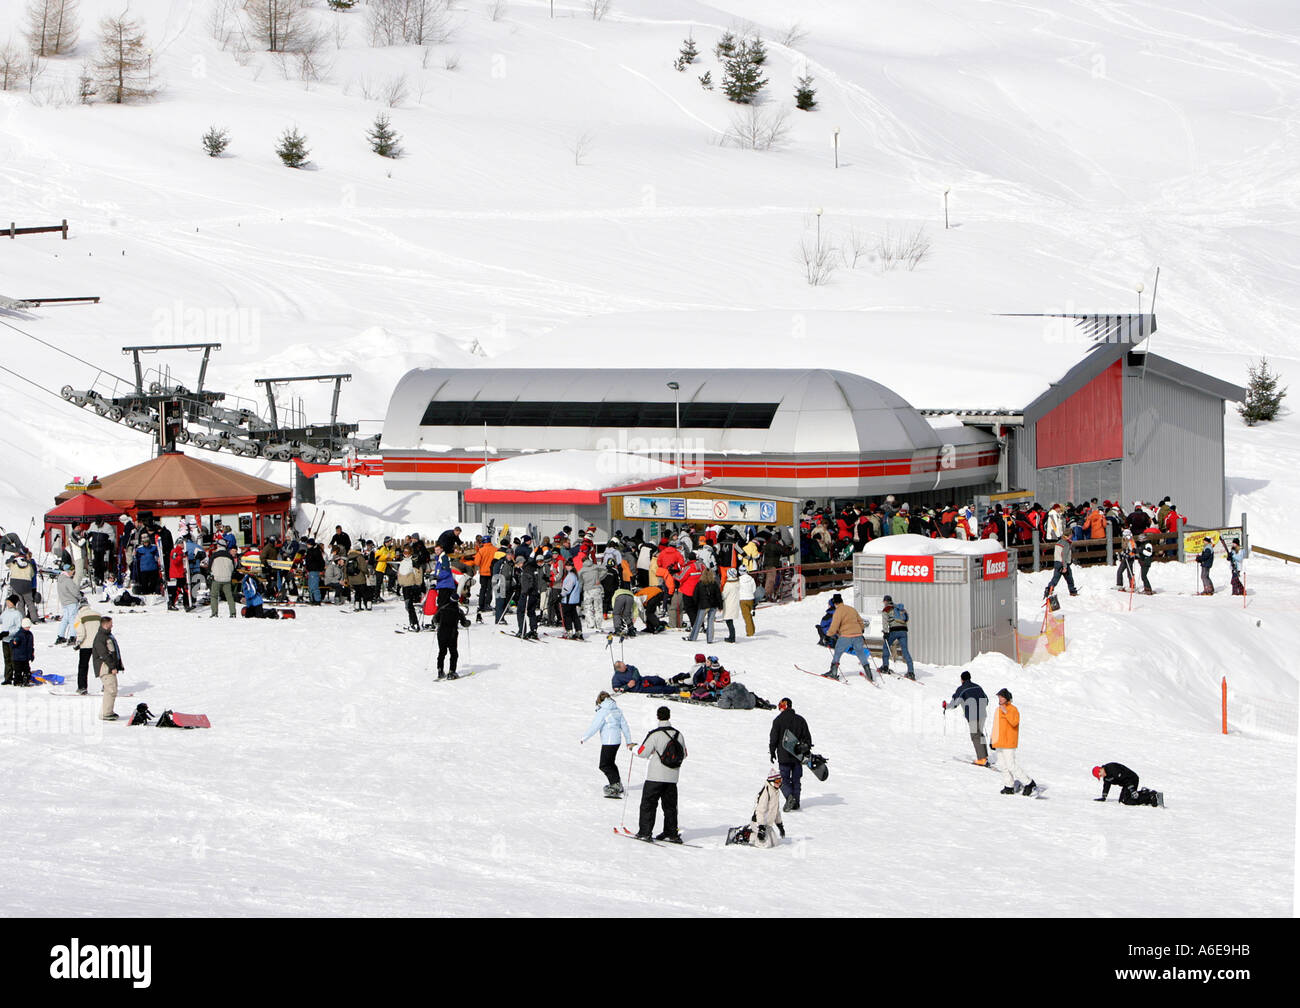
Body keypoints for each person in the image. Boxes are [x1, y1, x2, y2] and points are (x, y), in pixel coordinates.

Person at [635, 706, 686, 843]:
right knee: (670, 806)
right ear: (669, 716)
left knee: (648, 804)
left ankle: (645, 833)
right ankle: (671, 833)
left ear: (658, 717)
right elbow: (684, 754)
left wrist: (633, 748)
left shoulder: (655, 734)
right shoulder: (678, 734)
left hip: (655, 776)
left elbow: (642, 753)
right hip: (672, 777)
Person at [581, 691, 634, 798]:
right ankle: (617, 783)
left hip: (609, 741)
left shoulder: (603, 711)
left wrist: (585, 738)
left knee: (604, 764)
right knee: (610, 763)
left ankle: (615, 785)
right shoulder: (617, 710)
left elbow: (595, 726)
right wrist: (628, 741)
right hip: (616, 741)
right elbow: (624, 726)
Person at [991, 688, 1037, 796]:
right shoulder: (998, 710)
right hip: (999, 742)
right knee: (1003, 765)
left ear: (1006, 698)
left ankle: (1029, 783)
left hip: (1009, 742)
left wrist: (1006, 712)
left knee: (1011, 765)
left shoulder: (1013, 709)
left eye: (1002, 697)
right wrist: (992, 739)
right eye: (999, 697)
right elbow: (996, 726)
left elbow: (1014, 722)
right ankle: (1009, 786)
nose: (1000, 699)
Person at [769, 697, 812, 812]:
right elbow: (807, 739)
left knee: (784, 779)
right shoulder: (800, 720)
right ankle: (796, 802)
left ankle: (789, 797)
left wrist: (772, 751)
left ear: (785, 705)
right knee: (796, 779)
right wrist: (806, 751)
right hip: (797, 756)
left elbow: (773, 738)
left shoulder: (778, 720)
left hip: (783, 756)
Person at [728, 769, 787, 847]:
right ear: (772, 782)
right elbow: (760, 811)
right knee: (765, 844)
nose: (779, 783)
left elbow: (776, 810)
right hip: (758, 823)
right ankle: (744, 834)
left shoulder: (776, 791)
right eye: (777, 781)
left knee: (775, 843)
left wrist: (780, 825)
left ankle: (755, 832)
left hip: (767, 824)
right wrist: (761, 828)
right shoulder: (766, 792)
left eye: (780, 780)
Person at [945, 671, 990, 765]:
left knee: (975, 736)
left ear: (962, 679)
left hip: (973, 715)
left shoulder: (962, 689)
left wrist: (946, 706)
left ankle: (982, 759)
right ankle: (985, 756)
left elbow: (955, 703)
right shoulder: (978, 687)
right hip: (982, 714)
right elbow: (986, 700)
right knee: (980, 734)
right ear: (970, 678)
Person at [825, 598, 875, 681]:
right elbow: (860, 621)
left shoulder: (838, 611)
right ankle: (869, 674)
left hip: (846, 635)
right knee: (860, 652)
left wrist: (828, 635)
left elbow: (835, 624)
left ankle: (833, 673)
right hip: (858, 635)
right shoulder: (852, 609)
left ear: (835, 604)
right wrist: (861, 630)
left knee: (838, 652)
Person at [92, 615, 125, 720]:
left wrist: (118, 665)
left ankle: (108, 711)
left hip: (109, 667)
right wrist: (112, 667)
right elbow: (104, 654)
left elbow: (114, 652)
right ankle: (106, 713)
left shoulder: (108, 636)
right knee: (110, 689)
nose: (112, 625)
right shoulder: (100, 637)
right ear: (105, 625)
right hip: (105, 668)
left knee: (112, 689)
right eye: (111, 623)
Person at [1092, 763, 1163, 807]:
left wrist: (1132, 790)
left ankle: (1152, 796)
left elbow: (1125, 778)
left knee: (1127, 800)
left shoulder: (1112, 769)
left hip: (1131, 779)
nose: (1102, 776)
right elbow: (1106, 785)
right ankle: (1145, 794)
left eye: (1100, 774)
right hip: (1125, 784)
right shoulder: (1106, 777)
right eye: (1100, 776)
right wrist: (1104, 797)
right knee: (1122, 801)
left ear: (1100, 769)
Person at [878, 595, 915, 679]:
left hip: (894, 631)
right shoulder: (899, 608)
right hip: (904, 631)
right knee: (905, 651)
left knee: (886, 647)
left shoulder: (886, 609)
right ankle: (911, 672)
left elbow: (885, 621)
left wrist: (885, 632)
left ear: (885, 601)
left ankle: (885, 666)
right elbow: (906, 618)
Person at [434, 596, 471, 679]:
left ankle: (440, 670)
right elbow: (464, 623)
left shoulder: (442, 608)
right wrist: (468, 623)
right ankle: (451, 672)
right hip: (452, 634)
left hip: (441, 633)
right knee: (453, 653)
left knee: (442, 652)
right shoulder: (458, 611)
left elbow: (435, 619)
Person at [686, 566, 722, 643]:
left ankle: (693, 637)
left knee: (698, 622)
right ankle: (709, 639)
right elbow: (718, 595)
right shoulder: (714, 584)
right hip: (713, 605)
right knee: (710, 622)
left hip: (703, 605)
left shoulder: (700, 584)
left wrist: (696, 604)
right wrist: (720, 606)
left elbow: (695, 595)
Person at [73, 604, 103, 695]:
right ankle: (106, 685)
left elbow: (80, 631)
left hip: (86, 645)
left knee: (83, 666)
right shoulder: (98, 615)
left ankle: (82, 687)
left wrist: (78, 642)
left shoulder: (79, 616)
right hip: (98, 644)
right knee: (101, 665)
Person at [54, 565, 82, 644]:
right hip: (71, 602)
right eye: (72, 571)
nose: (73, 573)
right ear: (69, 571)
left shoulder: (60, 579)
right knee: (73, 619)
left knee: (65, 619)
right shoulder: (67, 580)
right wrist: (80, 597)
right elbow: (74, 590)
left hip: (64, 602)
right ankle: (73, 637)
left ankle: (60, 636)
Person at [209, 545, 237, 618]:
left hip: (217, 578)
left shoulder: (214, 555)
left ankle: (214, 613)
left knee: (214, 596)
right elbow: (233, 567)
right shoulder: (229, 556)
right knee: (229, 596)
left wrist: (213, 573)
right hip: (227, 579)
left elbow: (210, 567)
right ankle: (233, 613)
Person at [0, 595, 21, 685]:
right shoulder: (5, 612)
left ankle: (16, 677)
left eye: (9, 602)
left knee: (13, 659)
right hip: (4, 640)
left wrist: (8, 633)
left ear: (14, 603)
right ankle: (7, 678)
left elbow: (18, 628)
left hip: (12, 640)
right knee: (6, 659)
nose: (7, 603)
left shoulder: (17, 614)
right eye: (7, 601)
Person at [9, 617, 35, 687]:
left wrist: (31, 654)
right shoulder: (19, 634)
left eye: (29, 627)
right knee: (18, 670)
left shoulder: (30, 634)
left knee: (27, 670)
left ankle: (26, 680)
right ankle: (17, 681)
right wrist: (14, 642)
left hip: (26, 657)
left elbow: (31, 646)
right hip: (18, 657)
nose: (28, 628)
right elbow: (12, 643)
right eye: (26, 627)